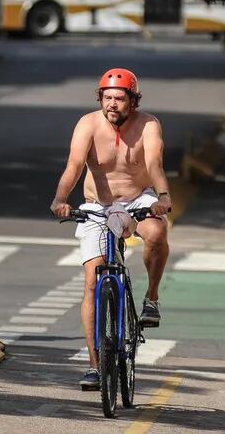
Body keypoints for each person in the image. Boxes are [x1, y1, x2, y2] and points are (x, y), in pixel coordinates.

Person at [50, 68, 172, 390]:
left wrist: (163, 197)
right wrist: (60, 199)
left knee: (158, 234)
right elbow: (74, 166)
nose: (113, 104)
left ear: (133, 101)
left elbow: (154, 165)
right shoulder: (88, 124)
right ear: (100, 98)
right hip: (97, 206)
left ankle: (152, 298)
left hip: (137, 199)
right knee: (92, 282)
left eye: (120, 98)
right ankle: (94, 365)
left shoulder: (148, 124)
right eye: (107, 97)